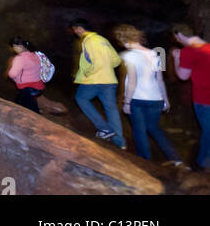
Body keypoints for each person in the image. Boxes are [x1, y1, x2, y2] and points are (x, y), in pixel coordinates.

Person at [114, 25, 181, 165]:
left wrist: (127, 102)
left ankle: (145, 163)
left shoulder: (130, 56)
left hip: (137, 99)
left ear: (125, 39)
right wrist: (165, 100)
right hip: (156, 99)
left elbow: (132, 80)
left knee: (139, 131)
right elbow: (160, 79)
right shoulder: (154, 53)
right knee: (154, 128)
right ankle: (176, 159)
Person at [71, 18, 125, 149]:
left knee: (81, 98)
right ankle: (120, 142)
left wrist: (88, 72)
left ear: (79, 28)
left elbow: (96, 62)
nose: (74, 32)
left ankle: (104, 128)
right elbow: (117, 60)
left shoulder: (88, 41)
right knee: (111, 108)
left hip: (94, 80)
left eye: (74, 29)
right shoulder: (103, 40)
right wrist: (106, 67)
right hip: (109, 79)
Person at [172, 23, 210, 170]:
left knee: (208, 131)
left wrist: (176, 58)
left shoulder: (188, 52)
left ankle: (202, 165)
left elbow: (182, 76)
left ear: (179, 35)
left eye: (177, 38)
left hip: (203, 99)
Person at [7, 37, 45, 112]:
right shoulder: (35, 55)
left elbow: (12, 74)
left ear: (20, 47)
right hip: (38, 85)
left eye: (14, 47)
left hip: (26, 87)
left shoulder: (20, 58)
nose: (14, 49)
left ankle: (35, 118)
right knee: (19, 101)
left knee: (31, 109)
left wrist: (9, 73)